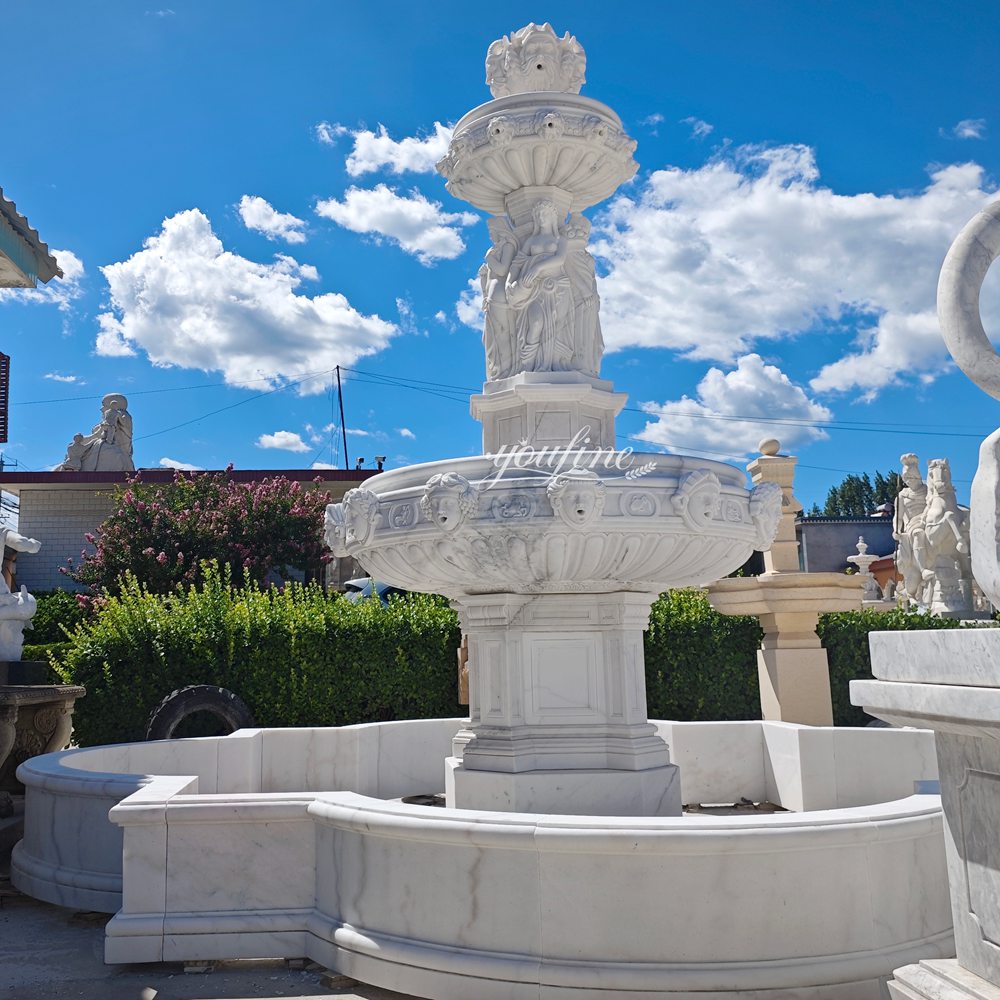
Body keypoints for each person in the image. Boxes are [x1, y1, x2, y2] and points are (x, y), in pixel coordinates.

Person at [506, 200, 573, 372]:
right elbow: (517, 262)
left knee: (557, 327)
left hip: (558, 288)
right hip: (533, 289)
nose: (541, 217)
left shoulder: (560, 239)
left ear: (553, 217)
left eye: (545, 214)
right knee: (536, 323)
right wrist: (509, 282)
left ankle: (554, 364)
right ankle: (529, 364)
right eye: (538, 214)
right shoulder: (531, 240)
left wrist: (537, 267)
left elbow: (560, 259)